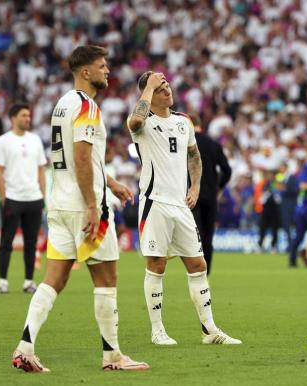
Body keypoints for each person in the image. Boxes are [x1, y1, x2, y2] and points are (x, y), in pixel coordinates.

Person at [11, 45, 150, 372]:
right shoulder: (87, 106)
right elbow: (83, 157)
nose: (107, 71)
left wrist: (112, 182)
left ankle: (25, 347)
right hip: (84, 205)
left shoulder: (62, 104)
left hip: (58, 204)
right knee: (106, 278)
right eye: (102, 66)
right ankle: (112, 355)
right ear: (85, 72)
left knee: (54, 279)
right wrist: (92, 204)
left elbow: (78, 157)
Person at [126, 70, 241, 346]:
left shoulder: (183, 121)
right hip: (155, 202)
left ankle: (209, 330)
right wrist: (149, 85)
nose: (167, 89)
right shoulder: (144, 122)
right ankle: (157, 331)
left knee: (198, 264)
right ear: (149, 94)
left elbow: (194, 156)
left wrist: (196, 186)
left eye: (167, 85)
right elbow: (135, 120)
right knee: (156, 265)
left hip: (180, 205)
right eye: (160, 86)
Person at [0, 103, 47, 294]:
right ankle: (3, 281)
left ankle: (28, 281)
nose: (27, 119)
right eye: (23, 115)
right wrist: (3, 196)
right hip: (12, 198)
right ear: (12, 118)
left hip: (33, 197)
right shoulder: (3, 141)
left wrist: (43, 195)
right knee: (6, 241)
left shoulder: (35, 140)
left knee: (31, 242)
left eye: (29, 116)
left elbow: (41, 170)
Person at [190, 113, 231, 275]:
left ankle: (196, 271)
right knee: (208, 236)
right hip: (210, 196)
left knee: (196, 235)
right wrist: (218, 187)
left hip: (191, 195)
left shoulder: (185, 144)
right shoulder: (214, 144)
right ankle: (206, 273)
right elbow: (226, 170)